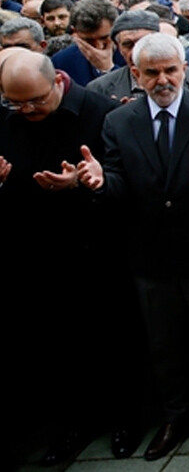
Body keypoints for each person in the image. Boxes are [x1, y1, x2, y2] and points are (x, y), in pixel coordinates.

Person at [77, 34, 189, 461]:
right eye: (151, 73)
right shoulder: (119, 122)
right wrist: (100, 182)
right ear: (135, 75)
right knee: (164, 344)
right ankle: (177, 415)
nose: (163, 79)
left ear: (183, 69)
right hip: (149, 257)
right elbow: (116, 180)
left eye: (170, 69)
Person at [0, 50, 144, 464]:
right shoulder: (8, 117)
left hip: (97, 250)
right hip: (34, 254)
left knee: (114, 341)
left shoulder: (100, 112)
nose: (26, 110)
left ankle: (125, 420)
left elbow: (124, 183)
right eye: (16, 103)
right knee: (58, 347)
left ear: (58, 84)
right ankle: (73, 424)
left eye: (36, 101)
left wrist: (83, 184)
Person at [87, 10, 189, 102]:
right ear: (118, 47)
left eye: (143, 42)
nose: (136, 51)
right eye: (128, 45)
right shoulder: (100, 89)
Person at [50, 0, 122, 86]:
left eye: (104, 38)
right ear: (75, 32)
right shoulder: (62, 61)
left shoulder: (131, 55)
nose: (99, 46)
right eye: (89, 40)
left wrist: (108, 69)